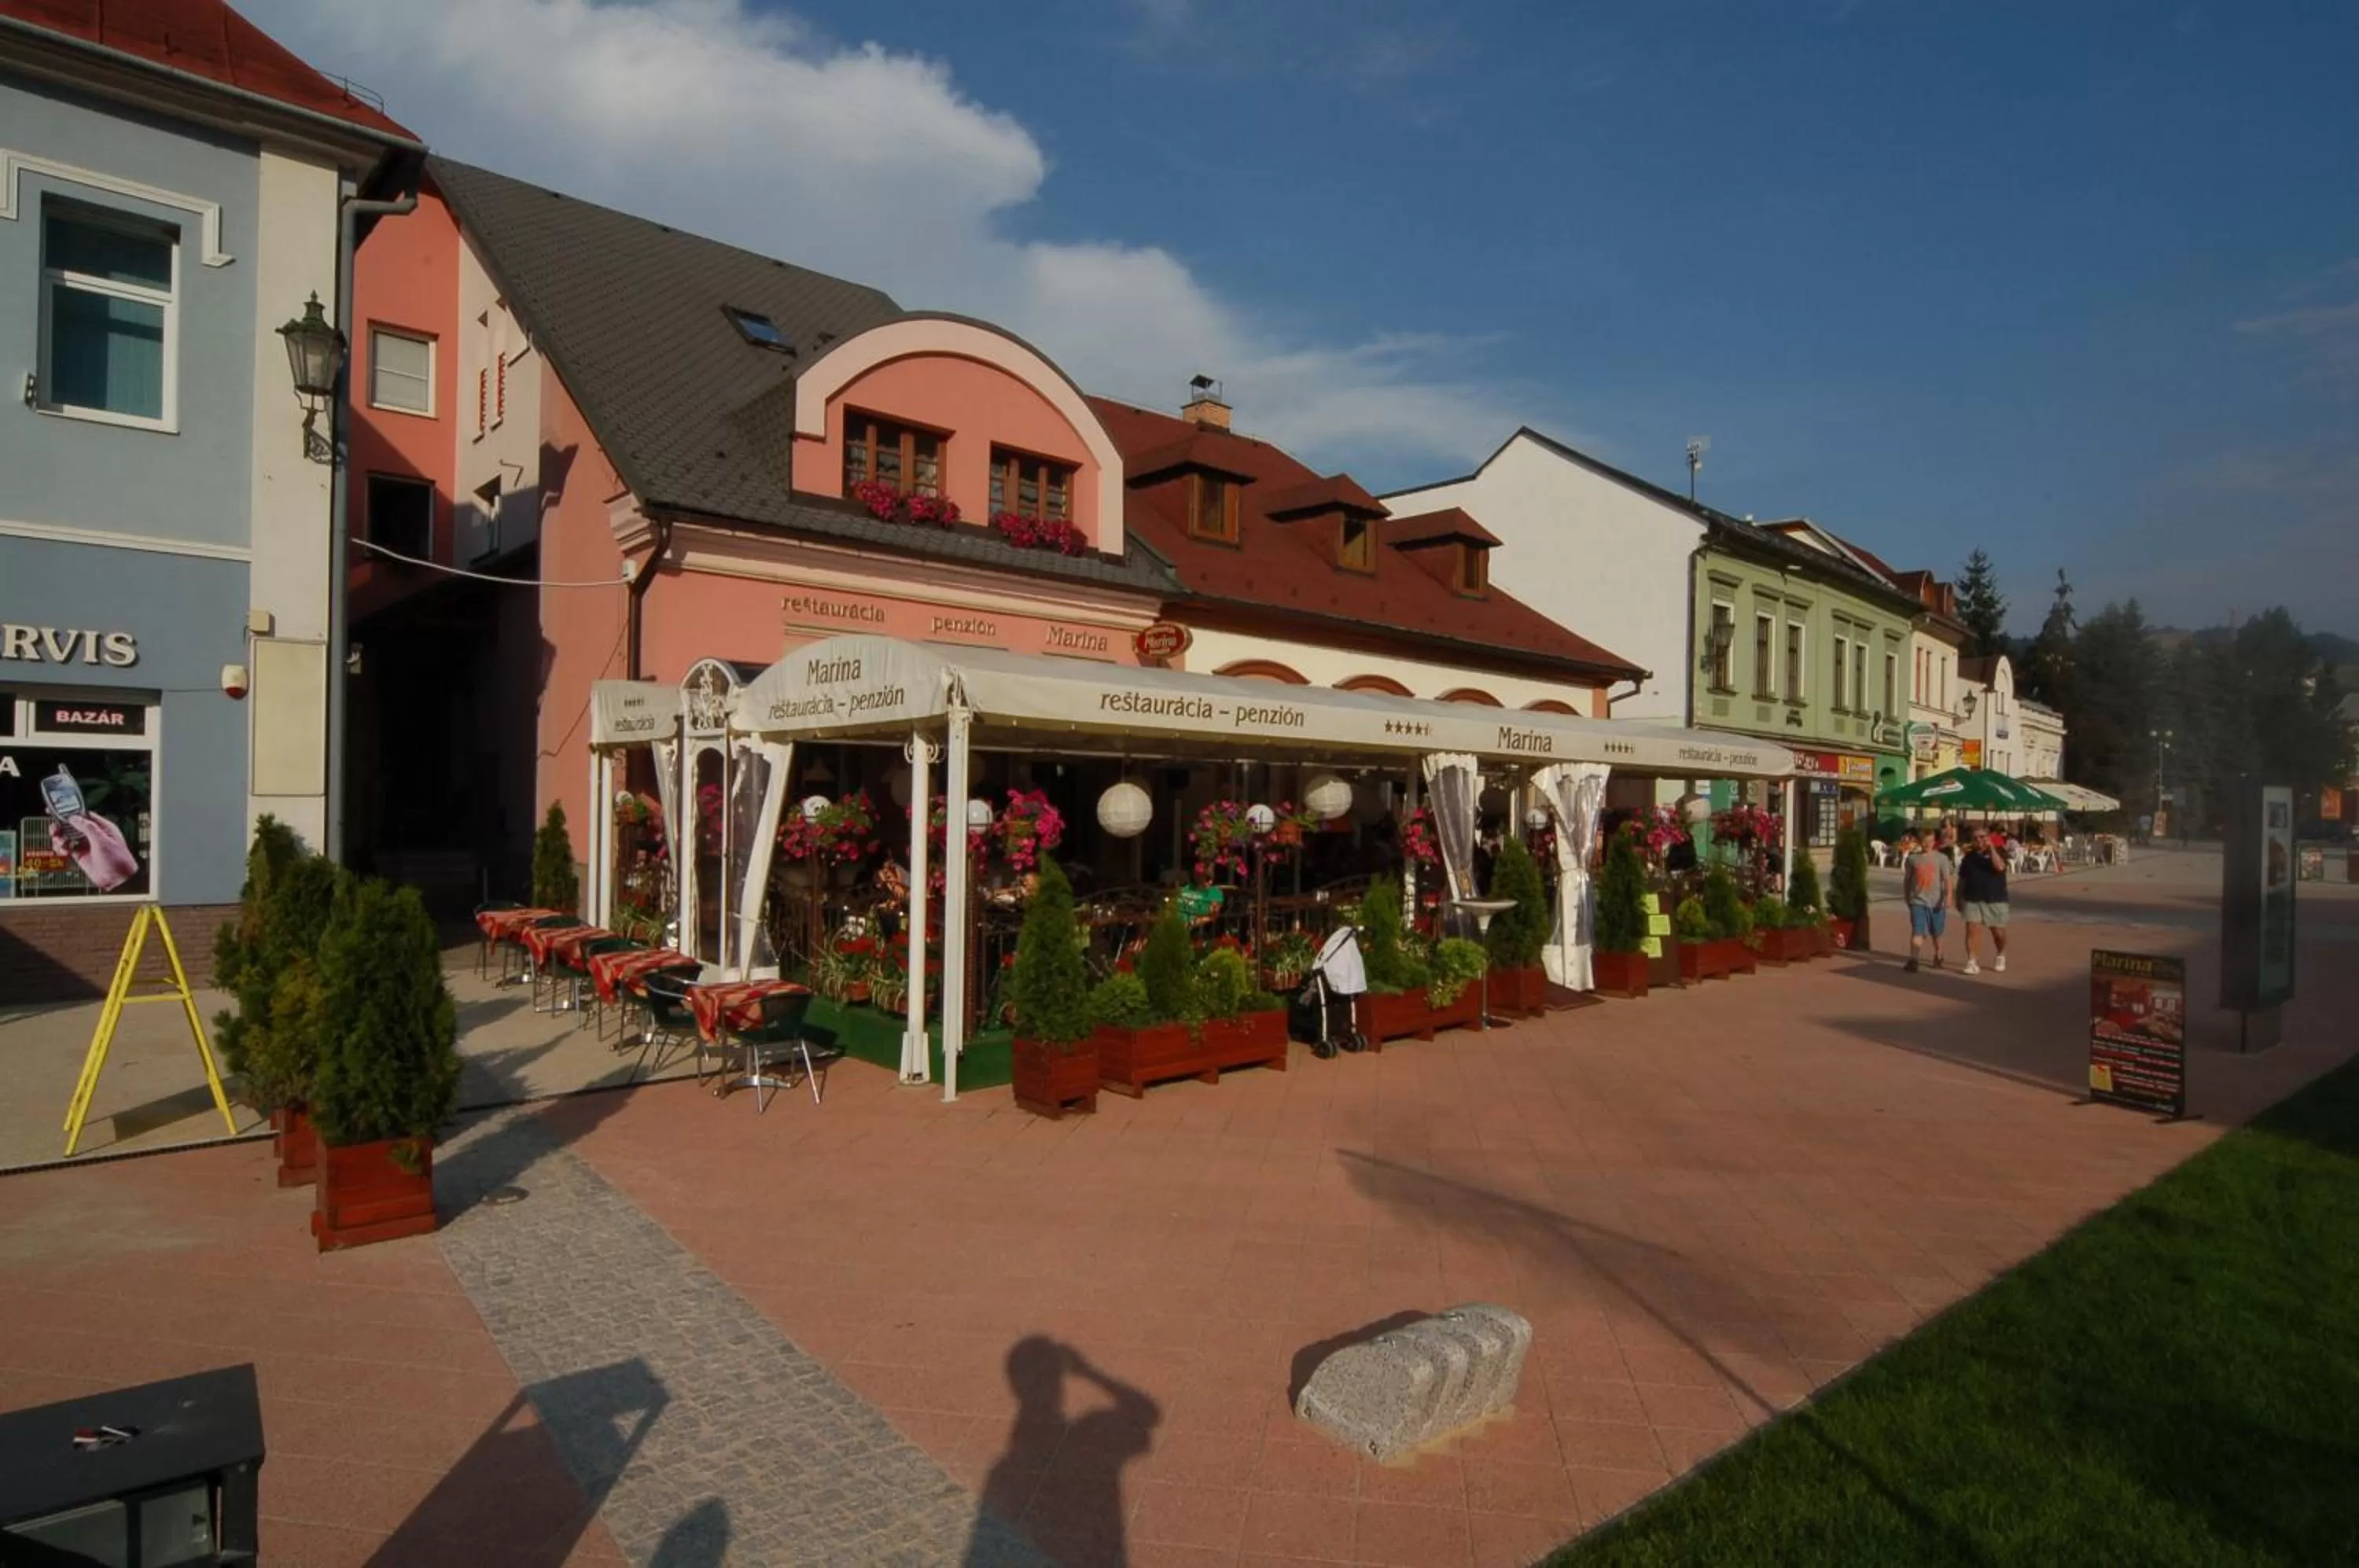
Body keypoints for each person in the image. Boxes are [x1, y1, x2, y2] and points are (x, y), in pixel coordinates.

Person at [1956, 824, 2010, 975]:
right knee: (1972, 929)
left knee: (1998, 932)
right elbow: (1962, 879)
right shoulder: (1969, 857)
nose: (1979, 840)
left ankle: (2001, 954)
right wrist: (1958, 897)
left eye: (1982, 837)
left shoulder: (1999, 852)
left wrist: (1991, 849)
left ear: (1988, 838)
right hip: (1972, 898)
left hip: (1995, 898)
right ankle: (1972, 961)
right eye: (1975, 838)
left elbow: (2000, 867)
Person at [1899, 828, 1952, 974]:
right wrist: (1907, 896)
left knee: (1937, 932)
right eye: (1925, 842)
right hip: (1918, 900)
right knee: (1918, 930)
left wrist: (1949, 897)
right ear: (1920, 842)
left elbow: (1947, 879)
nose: (1927, 844)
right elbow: (1907, 880)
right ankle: (1914, 959)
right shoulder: (1913, 859)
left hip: (1936, 902)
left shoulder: (1942, 859)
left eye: (1930, 841)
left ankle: (1939, 954)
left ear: (1934, 842)